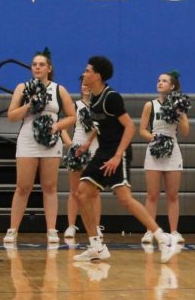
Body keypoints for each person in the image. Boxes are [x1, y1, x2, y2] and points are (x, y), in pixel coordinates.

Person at [72, 56, 176, 264]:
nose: (84, 73)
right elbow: (99, 125)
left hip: (119, 152)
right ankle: (96, 247)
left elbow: (130, 127)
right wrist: (87, 143)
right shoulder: (94, 97)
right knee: (82, 193)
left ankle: (163, 238)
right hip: (103, 151)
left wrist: (118, 156)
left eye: (87, 70)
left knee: (124, 199)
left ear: (97, 75)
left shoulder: (112, 97)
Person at [4, 49, 75, 248]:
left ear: (49, 68)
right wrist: (29, 105)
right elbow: (11, 116)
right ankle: (13, 230)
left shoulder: (58, 89)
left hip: (51, 141)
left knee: (50, 186)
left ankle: (52, 229)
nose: (37, 67)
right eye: (34, 64)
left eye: (41, 64)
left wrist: (57, 126)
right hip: (27, 139)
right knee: (22, 187)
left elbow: (72, 116)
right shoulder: (22, 88)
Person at [139, 71, 189, 249]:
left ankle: (174, 231)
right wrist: (153, 138)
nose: (160, 83)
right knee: (152, 195)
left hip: (173, 151)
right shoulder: (150, 105)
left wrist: (179, 113)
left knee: (172, 195)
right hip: (154, 150)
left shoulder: (178, 105)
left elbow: (185, 131)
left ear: (172, 86)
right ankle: (149, 230)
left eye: (164, 81)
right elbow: (142, 129)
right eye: (159, 80)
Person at [62, 75, 91, 244]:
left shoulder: (99, 106)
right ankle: (71, 225)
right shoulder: (75, 105)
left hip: (94, 149)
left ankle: (95, 226)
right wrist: (70, 144)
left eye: (88, 84)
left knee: (93, 193)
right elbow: (62, 126)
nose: (86, 86)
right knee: (74, 190)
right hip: (78, 149)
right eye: (83, 84)